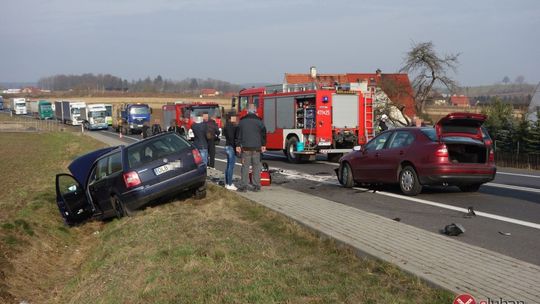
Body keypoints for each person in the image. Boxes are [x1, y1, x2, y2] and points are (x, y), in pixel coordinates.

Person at [235, 104, 266, 192]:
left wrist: (238, 145)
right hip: (256, 148)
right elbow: (263, 134)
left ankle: (243, 186)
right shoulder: (259, 121)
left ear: (247, 111)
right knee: (256, 167)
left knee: (245, 167)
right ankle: (256, 186)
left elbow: (238, 135)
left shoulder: (242, 121)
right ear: (255, 111)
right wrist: (263, 145)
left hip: (246, 148)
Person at [223, 114, 238, 191]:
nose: (235, 118)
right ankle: (229, 183)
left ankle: (227, 183)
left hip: (228, 146)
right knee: (231, 166)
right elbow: (232, 138)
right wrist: (236, 147)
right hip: (231, 147)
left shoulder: (226, 126)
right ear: (230, 118)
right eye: (234, 117)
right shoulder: (230, 126)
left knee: (229, 165)